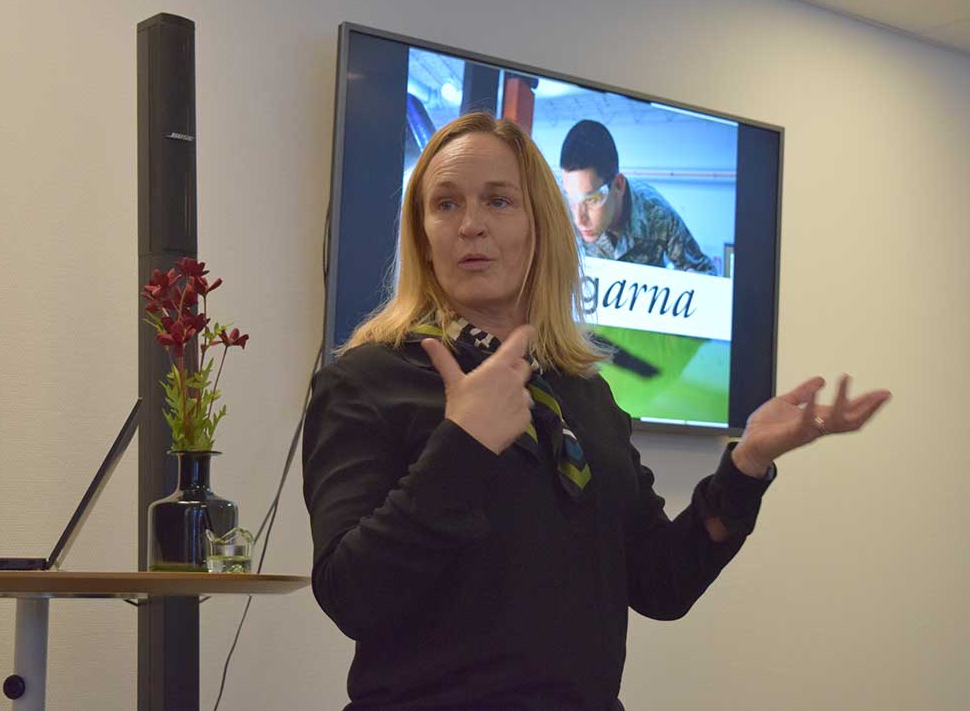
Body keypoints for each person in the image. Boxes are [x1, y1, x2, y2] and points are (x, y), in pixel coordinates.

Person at [301, 113, 890, 710]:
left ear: (541, 226)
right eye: (445, 204)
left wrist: (747, 463)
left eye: (498, 201)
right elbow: (353, 596)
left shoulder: (584, 394)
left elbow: (661, 583)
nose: (470, 224)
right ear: (422, 235)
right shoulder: (365, 382)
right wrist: (463, 445)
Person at [560, 119, 716, 273]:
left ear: (618, 185)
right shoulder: (566, 212)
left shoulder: (658, 214)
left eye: (591, 199)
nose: (579, 219)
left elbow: (705, 272)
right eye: (571, 199)